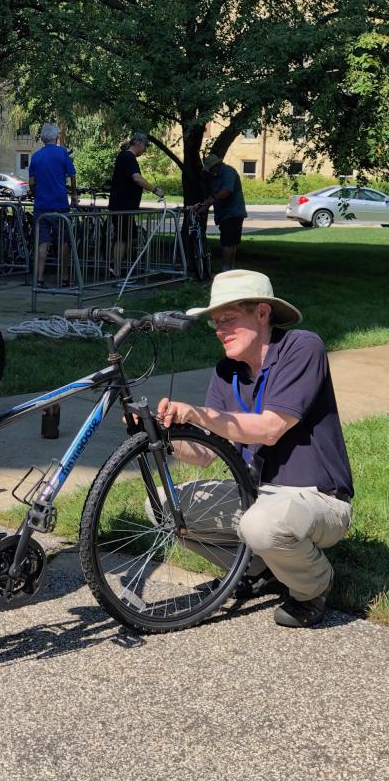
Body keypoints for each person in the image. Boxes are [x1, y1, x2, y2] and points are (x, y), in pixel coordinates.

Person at [157, 269, 353, 628]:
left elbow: (271, 428)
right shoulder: (226, 372)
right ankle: (256, 569)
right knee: (163, 505)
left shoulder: (302, 347)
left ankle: (313, 586)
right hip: (257, 496)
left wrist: (200, 413)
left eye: (228, 319)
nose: (219, 330)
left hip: (319, 499)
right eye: (215, 322)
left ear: (262, 313)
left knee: (261, 524)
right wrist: (166, 435)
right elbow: (205, 455)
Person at [28, 123, 78, 288]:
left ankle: (39, 279)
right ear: (57, 136)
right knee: (63, 241)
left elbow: (32, 182)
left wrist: (36, 194)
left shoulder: (36, 157)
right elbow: (72, 175)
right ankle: (65, 278)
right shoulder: (62, 153)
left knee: (43, 242)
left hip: (41, 205)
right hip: (59, 204)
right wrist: (74, 194)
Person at [108, 133, 164, 277]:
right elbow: (137, 178)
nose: (144, 150)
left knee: (128, 236)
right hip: (122, 206)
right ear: (139, 143)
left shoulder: (127, 157)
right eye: (145, 146)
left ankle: (117, 267)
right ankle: (116, 269)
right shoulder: (128, 157)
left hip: (126, 206)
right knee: (122, 237)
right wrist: (155, 190)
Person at [196, 153, 247, 271]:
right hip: (226, 214)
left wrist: (211, 200)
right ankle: (230, 269)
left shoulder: (228, 172)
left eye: (210, 168)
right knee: (231, 243)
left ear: (216, 165)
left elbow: (226, 191)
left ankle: (226, 270)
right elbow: (213, 195)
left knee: (228, 243)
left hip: (232, 213)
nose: (209, 171)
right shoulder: (216, 175)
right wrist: (203, 206)